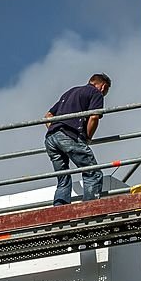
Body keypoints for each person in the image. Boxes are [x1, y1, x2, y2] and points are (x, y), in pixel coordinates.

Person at [44, 74, 111, 205]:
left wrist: (56, 130)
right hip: (69, 135)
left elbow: (48, 116)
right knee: (93, 173)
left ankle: (59, 212)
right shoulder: (96, 93)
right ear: (103, 87)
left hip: (51, 138)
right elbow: (94, 117)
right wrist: (87, 138)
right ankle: (90, 209)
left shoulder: (71, 92)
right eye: (106, 91)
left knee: (63, 178)